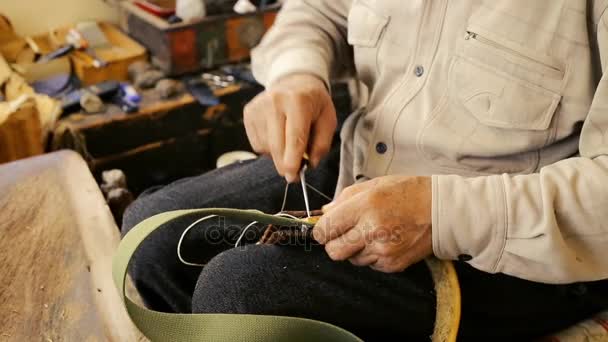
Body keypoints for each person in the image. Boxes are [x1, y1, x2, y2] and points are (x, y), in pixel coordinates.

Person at [122, 1, 608, 340]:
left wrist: (441, 212)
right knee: (154, 234)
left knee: (241, 295)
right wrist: (298, 74)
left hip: (517, 242)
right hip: (367, 160)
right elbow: (317, 11)